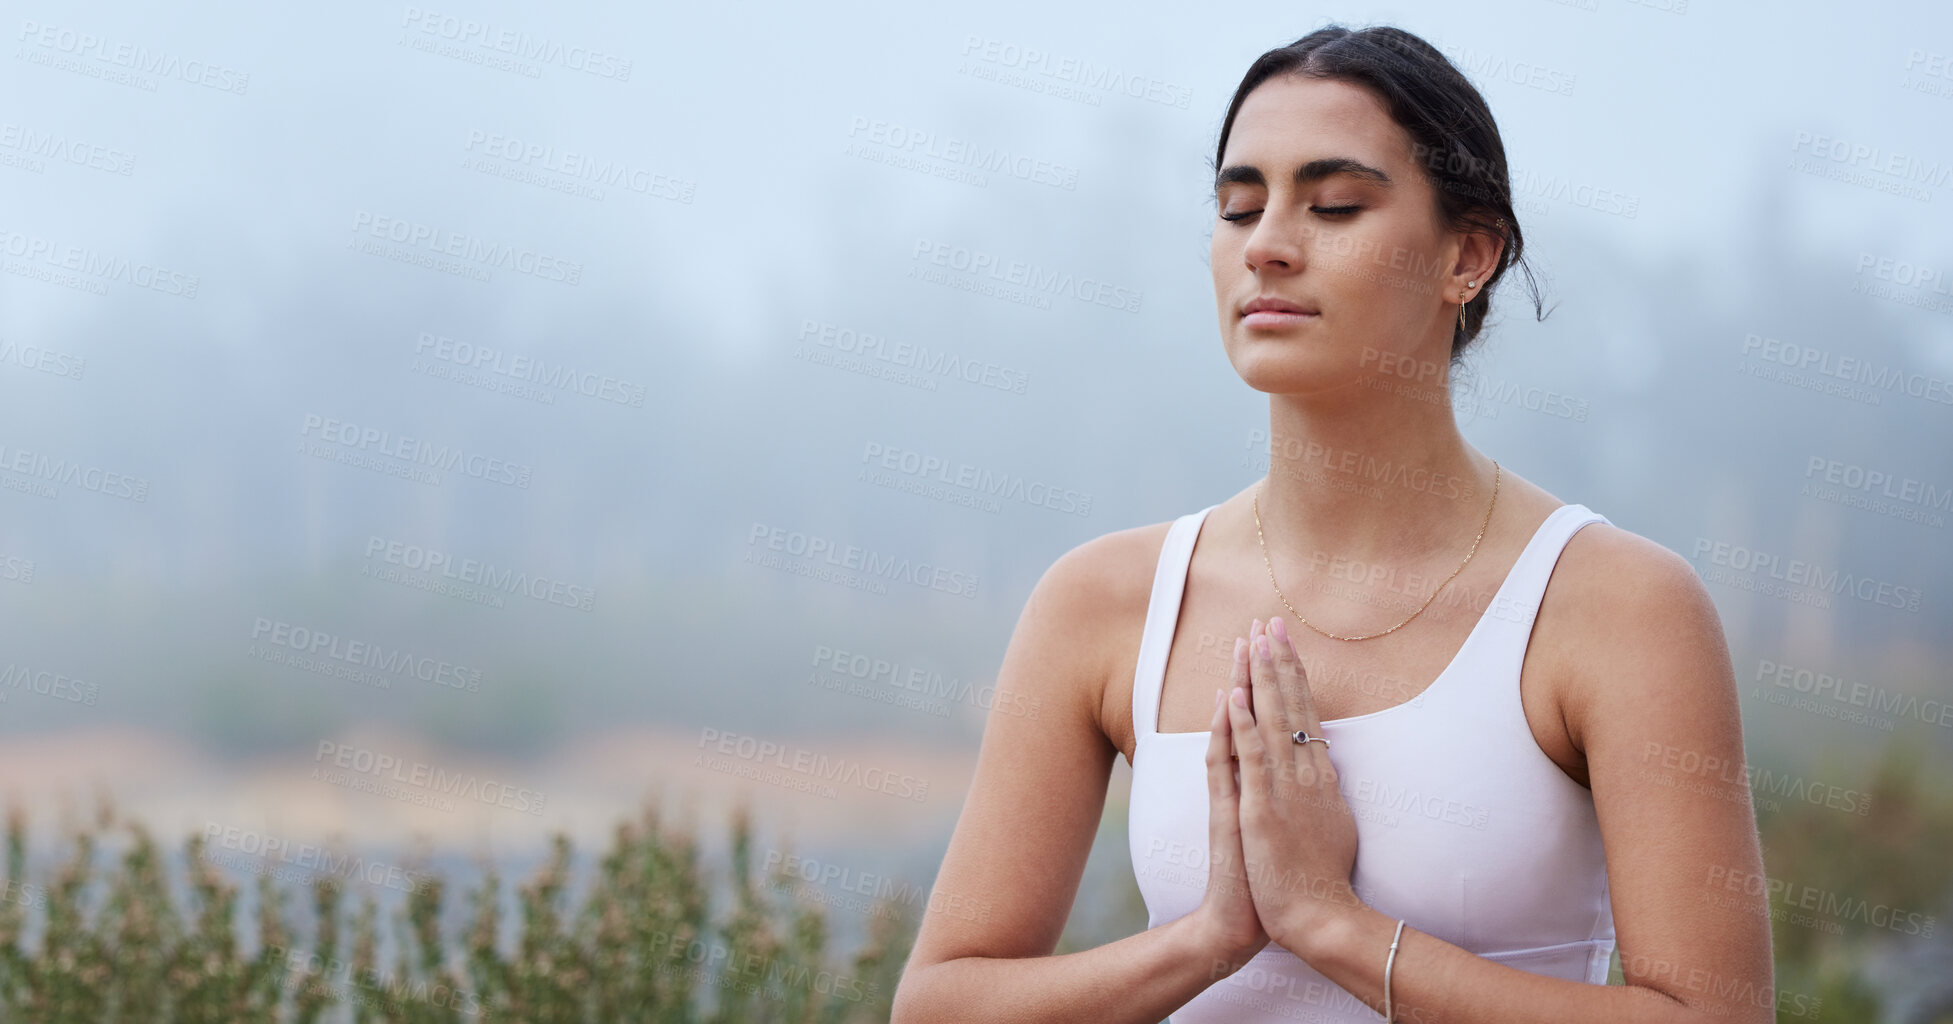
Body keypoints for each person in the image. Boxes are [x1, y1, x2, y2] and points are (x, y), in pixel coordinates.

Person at [891, 24, 1773, 1024]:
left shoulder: (1616, 605)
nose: (1266, 242)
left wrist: (1335, 926)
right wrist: (1210, 939)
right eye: (1237, 206)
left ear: (1468, 255)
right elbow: (942, 1003)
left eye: (1336, 204)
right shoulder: (1104, 602)